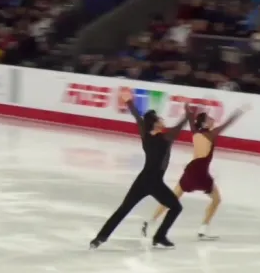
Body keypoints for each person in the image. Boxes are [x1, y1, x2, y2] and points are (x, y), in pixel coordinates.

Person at [90, 90, 193, 250]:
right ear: (155, 123)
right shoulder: (165, 138)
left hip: (143, 180)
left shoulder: (146, 135)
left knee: (123, 209)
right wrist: (187, 115)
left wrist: (129, 102)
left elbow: (138, 117)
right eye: (160, 119)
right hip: (155, 182)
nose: (163, 120)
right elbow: (178, 127)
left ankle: (99, 238)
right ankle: (159, 236)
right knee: (176, 207)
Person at [143, 105, 250, 240]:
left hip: (190, 171)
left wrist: (188, 111)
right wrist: (240, 111)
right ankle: (202, 229)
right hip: (201, 173)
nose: (213, 119)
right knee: (216, 200)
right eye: (210, 118)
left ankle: (150, 221)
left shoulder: (195, 132)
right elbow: (228, 123)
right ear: (205, 123)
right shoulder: (211, 134)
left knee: (172, 199)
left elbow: (191, 120)